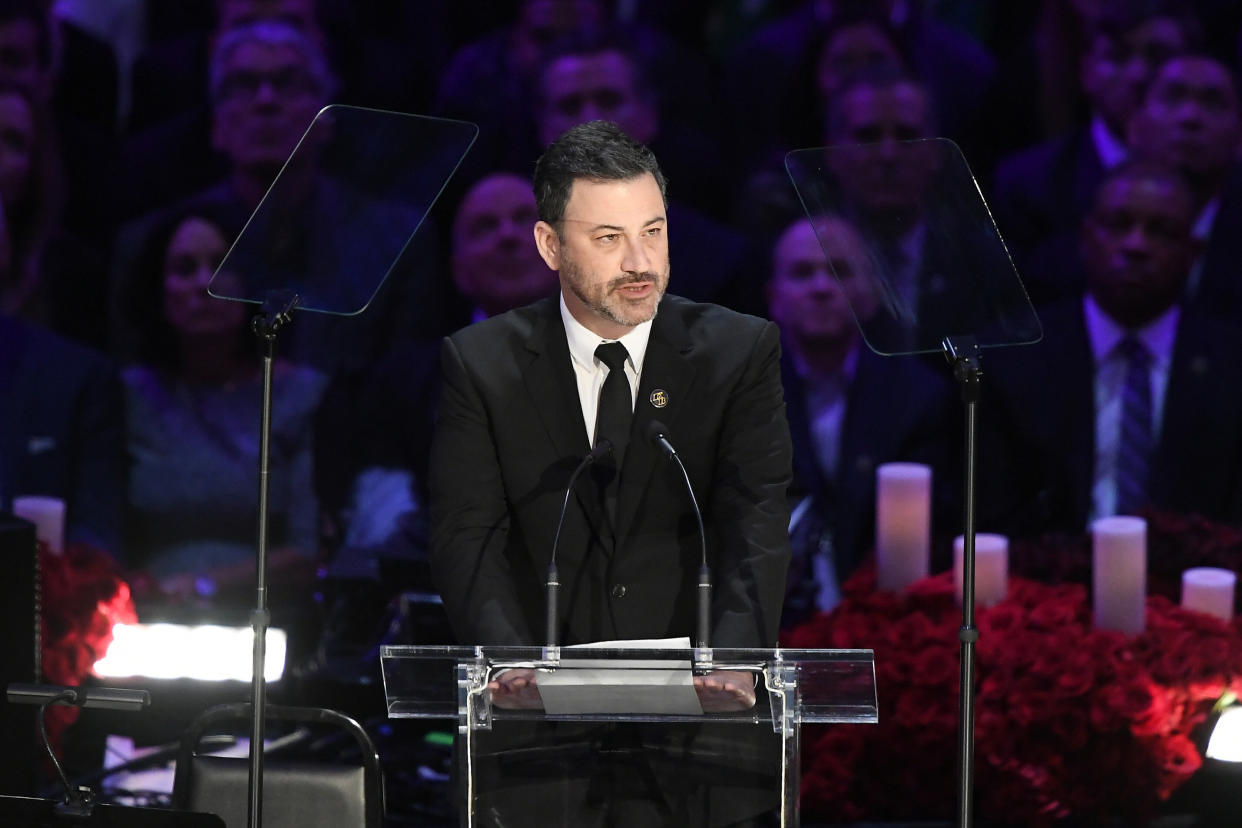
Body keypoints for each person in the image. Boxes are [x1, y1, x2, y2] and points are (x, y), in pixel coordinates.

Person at [428, 120, 792, 826]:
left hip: (702, 741)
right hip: (536, 746)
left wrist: (739, 660)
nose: (640, 262)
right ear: (549, 246)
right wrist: (509, 667)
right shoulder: (482, 366)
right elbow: (466, 535)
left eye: (652, 232)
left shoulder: (738, 353)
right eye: (609, 238)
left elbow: (757, 516)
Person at [979, 160, 1242, 537]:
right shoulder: (1016, 358)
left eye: (1161, 232)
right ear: (1087, 238)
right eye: (1119, 225)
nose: (1136, 245)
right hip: (1045, 580)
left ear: (1192, 253)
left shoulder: (1231, 368)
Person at [118, 206, 326, 628]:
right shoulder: (129, 394)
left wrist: (202, 584)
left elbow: (311, 552)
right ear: (157, 290)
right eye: (184, 268)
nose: (204, 283)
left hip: (271, 622)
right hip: (143, 620)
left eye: (222, 266)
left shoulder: (300, 393)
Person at [766, 214, 955, 625]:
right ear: (774, 296)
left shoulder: (919, 396)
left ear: (871, 293)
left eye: (839, 271)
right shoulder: (739, 393)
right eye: (802, 273)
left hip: (886, 618)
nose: (821, 287)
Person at [1126, 52, 1242, 322]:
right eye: (1173, 97)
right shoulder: (1081, 235)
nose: (1190, 117)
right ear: (1135, 124)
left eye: (1213, 103)